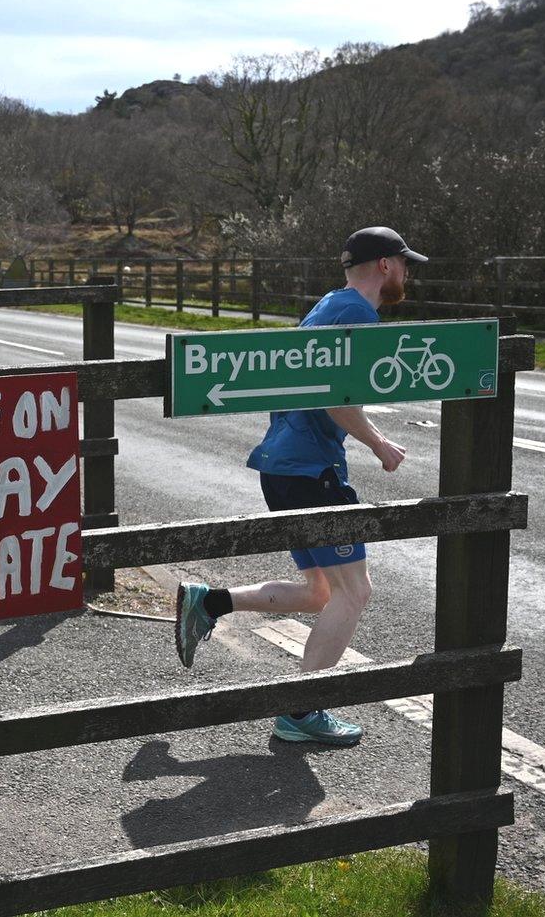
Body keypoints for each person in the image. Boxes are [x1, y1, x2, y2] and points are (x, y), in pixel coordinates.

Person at [174, 226, 425, 747]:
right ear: (385, 265)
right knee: (356, 593)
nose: (407, 273)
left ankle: (210, 602)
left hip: (284, 467)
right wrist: (379, 444)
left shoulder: (329, 304)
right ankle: (301, 711)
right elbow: (334, 393)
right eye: (405, 264)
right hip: (313, 471)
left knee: (320, 593)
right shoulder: (357, 312)